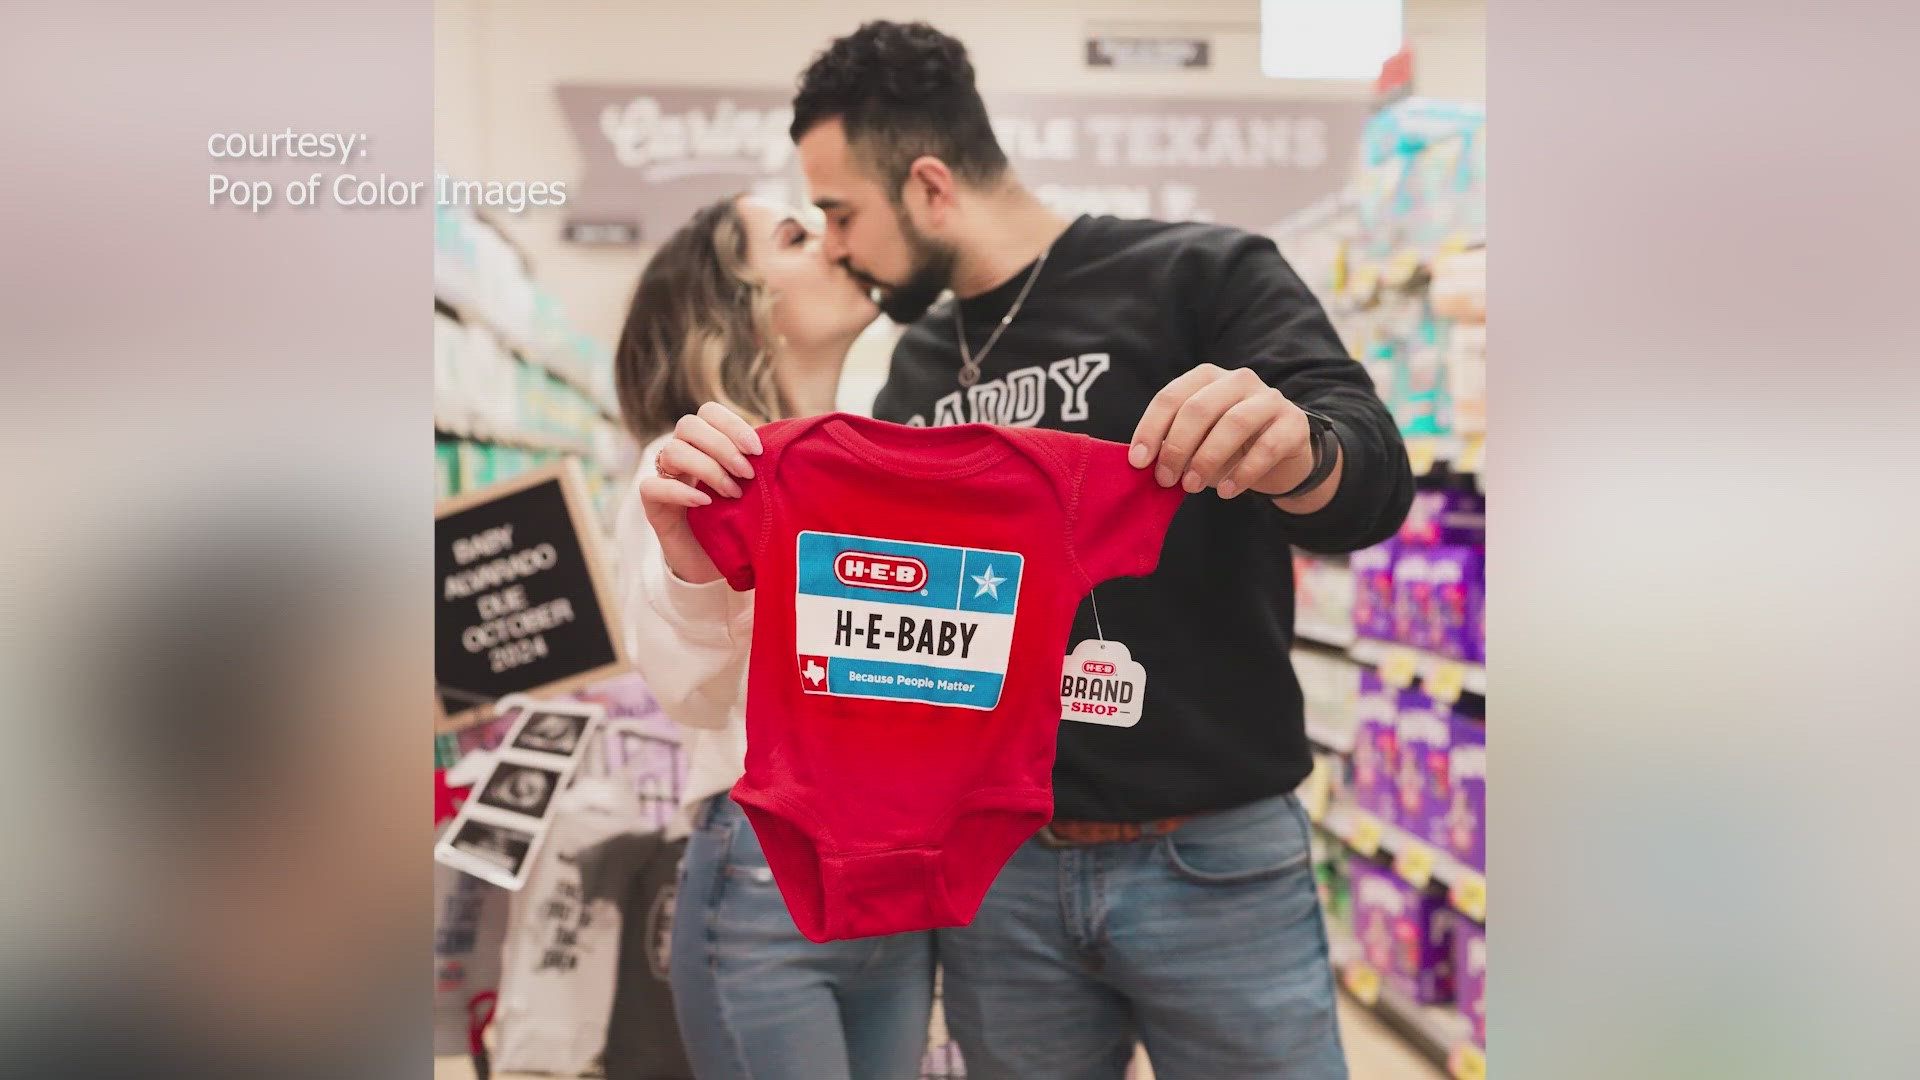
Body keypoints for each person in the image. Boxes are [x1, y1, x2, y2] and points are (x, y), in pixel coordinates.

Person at [783, 21, 1414, 1079]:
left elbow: (1373, 475)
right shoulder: (918, 365)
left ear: (931, 186)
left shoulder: (1199, 274)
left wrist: (1295, 450)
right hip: (1004, 880)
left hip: (1211, 858)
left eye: (841, 213)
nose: (835, 246)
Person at [609, 193, 935, 1080]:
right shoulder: (687, 476)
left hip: (896, 873)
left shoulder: (889, 454)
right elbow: (693, 692)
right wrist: (699, 557)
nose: (836, 243)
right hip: (765, 868)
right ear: (733, 302)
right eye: (796, 236)